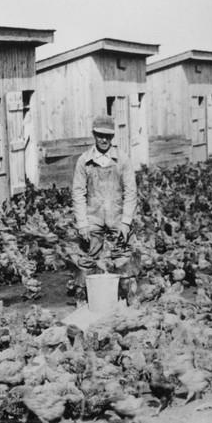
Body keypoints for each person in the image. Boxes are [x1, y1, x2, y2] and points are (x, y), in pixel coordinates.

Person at [71, 115, 138, 292]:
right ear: (94, 135)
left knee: (123, 255)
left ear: (112, 137)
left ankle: (125, 294)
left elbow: (131, 192)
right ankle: (84, 295)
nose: (103, 139)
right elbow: (78, 193)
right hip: (93, 216)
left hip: (117, 216)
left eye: (107, 136)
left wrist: (126, 222)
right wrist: (82, 223)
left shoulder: (122, 159)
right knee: (87, 257)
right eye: (100, 135)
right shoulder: (84, 161)